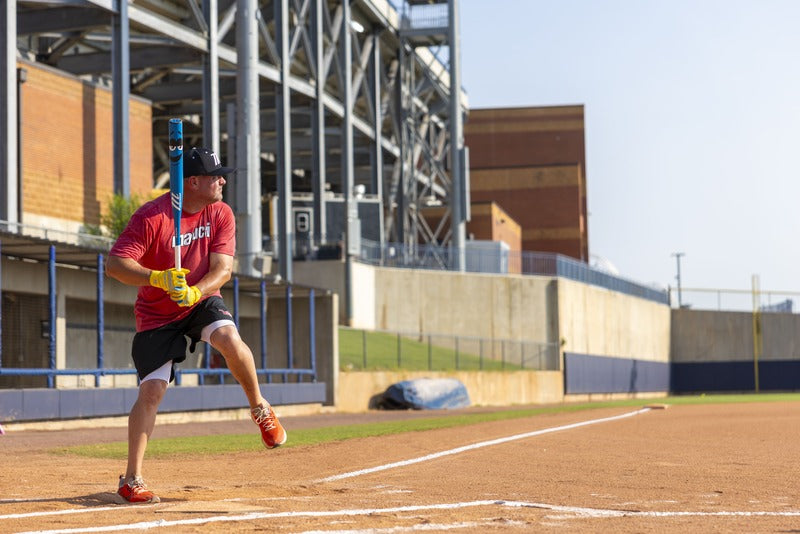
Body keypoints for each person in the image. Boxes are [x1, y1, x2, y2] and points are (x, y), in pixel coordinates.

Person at [106, 147, 286, 504]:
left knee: (227, 336)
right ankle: (132, 479)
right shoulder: (152, 216)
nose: (222, 181)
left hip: (200, 299)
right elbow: (115, 264)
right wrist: (157, 278)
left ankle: (260, 409)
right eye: (216, 176)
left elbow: (222, 269)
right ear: (192, 181)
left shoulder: (220, 213)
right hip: (157, 314)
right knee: (152, 391)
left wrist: (194, 291)